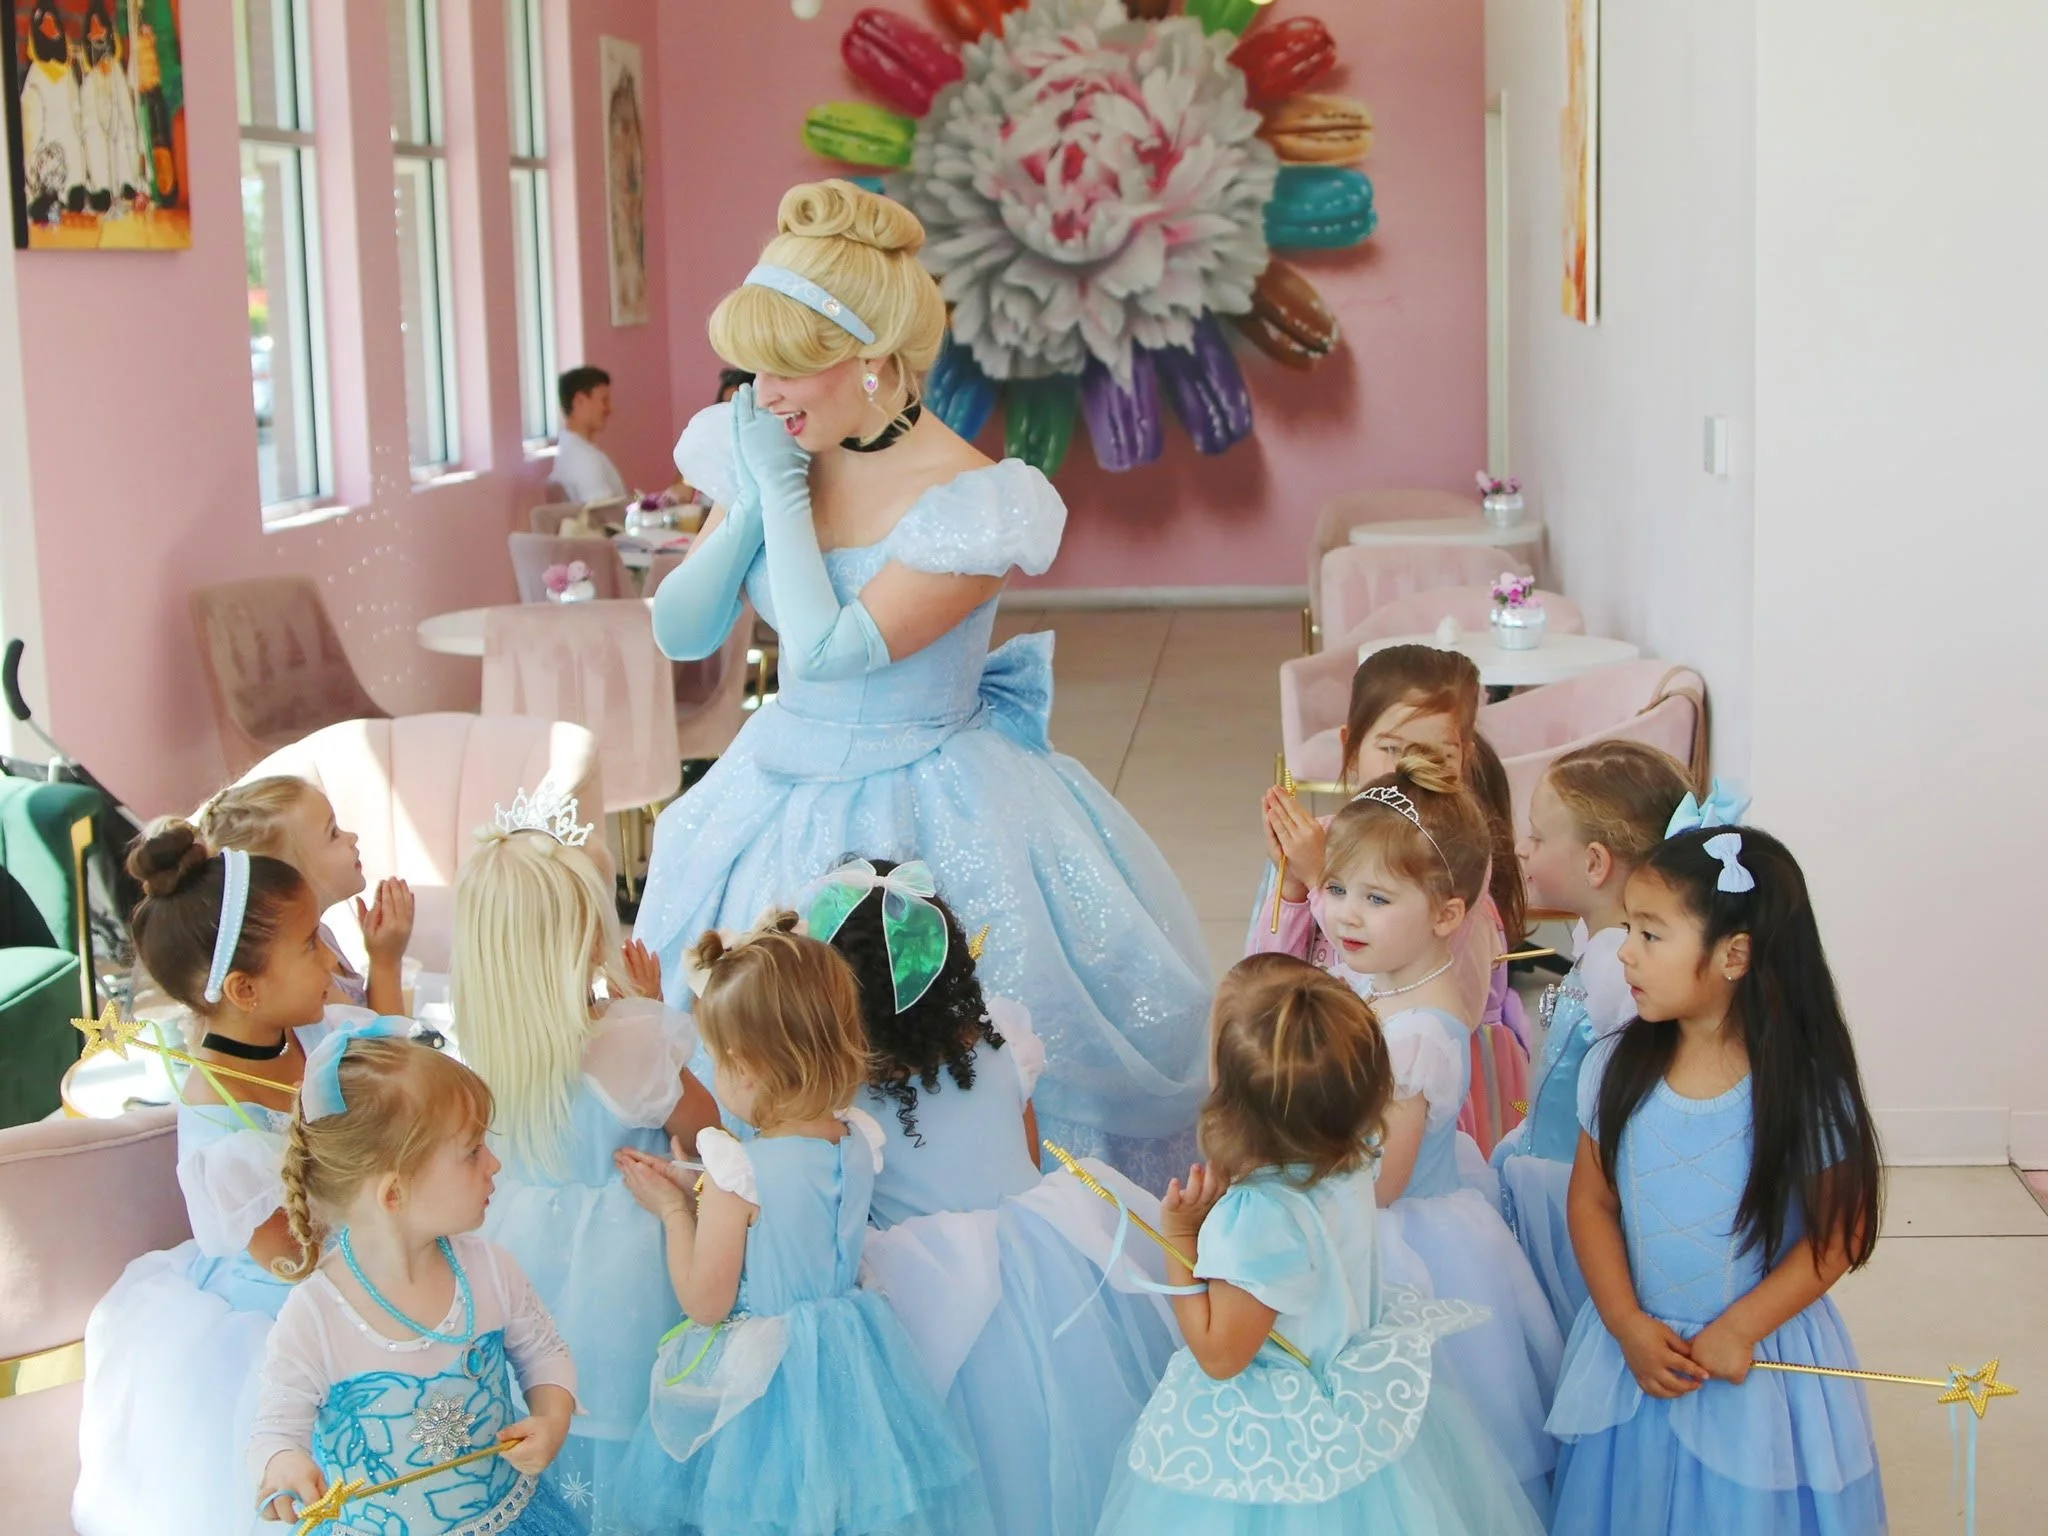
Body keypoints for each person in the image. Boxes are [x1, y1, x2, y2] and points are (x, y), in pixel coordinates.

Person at [633, 179, 1210, 1191]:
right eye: (754, 369)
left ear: (872, 365)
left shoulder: (972, 502)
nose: (762, 393)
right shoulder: (779, 449)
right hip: (771, 782)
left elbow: (828, 651)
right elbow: (682, 630)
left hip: (933, 792)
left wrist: (776, 493)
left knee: (927, 1062)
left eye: (788, 368)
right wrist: (756, 502)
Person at [1096, 954, 1546, 1535]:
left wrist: (1181, 1243)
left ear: (1233, 1097)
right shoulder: (1351, 1159)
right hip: (1355, 1405)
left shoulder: (1256, 1215)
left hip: (1281, 1448)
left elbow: (1221, 1354)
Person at [810, 857, 1178, 1536]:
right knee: (1062, 1438)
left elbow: (839, 1211)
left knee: (970, 1466)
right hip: (1043, 1263)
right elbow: (1028, 1158)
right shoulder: (999, 1038)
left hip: (931, 1295)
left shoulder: (835, 1094)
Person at [1547, 827, 1886, 1533]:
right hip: (1637, 1359)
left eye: (1650, 935)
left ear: (1734, 955)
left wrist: (1741, 1326)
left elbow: (1841, 1230)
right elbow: (1592, 1200)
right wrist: (1624, 1323)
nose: (1626, 953)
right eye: (1626, 928)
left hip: (1754, 1364)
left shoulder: (1802, 1091)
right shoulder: (1615, 1069)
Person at [612, 918, 995, 1536]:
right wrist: (705, 1186)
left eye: (715, 1060)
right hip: (854, 1361)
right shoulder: (856, 1140)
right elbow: (789, 1210)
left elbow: (705, 1302)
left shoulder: (740, 1167)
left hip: (769, 1387)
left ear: (748, 1069)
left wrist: (674, 1211)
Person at [72, 822, 372, 1536]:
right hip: (292, 1297)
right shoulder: (221, 1119)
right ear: (243, 987)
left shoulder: (308, 1031)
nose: (329, 964)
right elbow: (292, 1260)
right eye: (309, 946)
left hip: (355, 1241)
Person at [1311, 749, 1564, 1509]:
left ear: (1448, 914)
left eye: (1378, 899)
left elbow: (1383, 1178)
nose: (1346, 913)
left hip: (1404, 1238)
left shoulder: (1418, 1033)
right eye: (1336, 888)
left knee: (1432, 1436)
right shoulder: (1378, 978)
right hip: (1402, 1207)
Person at [454, 822, 718, 1525]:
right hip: (629, 1276)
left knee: (545, 1432)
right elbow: (707, 1130)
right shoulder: (631, 1035)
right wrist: (650, 1014)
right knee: (639, 1434)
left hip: (518, 1269)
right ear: (582, 943)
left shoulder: (480, 1053)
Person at [249, 1028, 580, 1534]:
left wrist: (552, 1420)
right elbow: (276, 1425)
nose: (494, 1164)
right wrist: (284, 1464)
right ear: (394, 1193)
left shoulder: (490, 1271)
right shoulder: (316, 1315)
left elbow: (546, 1353)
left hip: (507, 1516)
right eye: (472, 1151)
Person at [1252, 644, 1532, 1153]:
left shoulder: (1455, 860)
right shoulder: (1316, 839)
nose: (1408, 770)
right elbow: (1265, 976)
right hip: (1322, 1073)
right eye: (1392, 748)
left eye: (1437, 755)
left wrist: (1321, 882)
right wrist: (1293, 888)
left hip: (1406, 1096)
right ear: (1351, 747)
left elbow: (1434, 997)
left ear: (1464, 758)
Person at [1493, 746, 1722, 1334]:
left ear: (1595, 863)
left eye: (1538, 838)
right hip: (1550, 1159)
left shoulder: (1619, 968)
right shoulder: (1592, 938)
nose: (1523, 848)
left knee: (1563, 1317)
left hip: (1578, 1181)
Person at [199, 776, 414, 1015]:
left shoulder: (322, 936)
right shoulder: (304, 977)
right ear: (286, 876)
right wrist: (386, 962)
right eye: (333, 833)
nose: (351, 837)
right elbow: (384, 1049)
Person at [550, 365, 630, 503]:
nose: (609, 409)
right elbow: (604, 515)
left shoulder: (575, 449)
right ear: (579, 401)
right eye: (604, 400)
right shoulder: (582, 457)